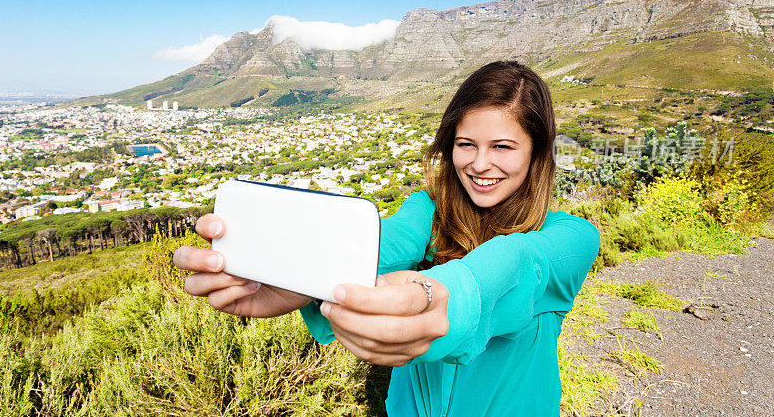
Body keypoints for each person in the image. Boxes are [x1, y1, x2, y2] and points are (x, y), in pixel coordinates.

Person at [173, 60, 600, 415]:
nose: (480, 164)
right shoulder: (427, 210)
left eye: (503, 147)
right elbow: (384, 243)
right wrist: (298, 275)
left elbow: (517, 263)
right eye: (466, 144)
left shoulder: (571, 239)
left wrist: (444, 299)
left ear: (537, 152)